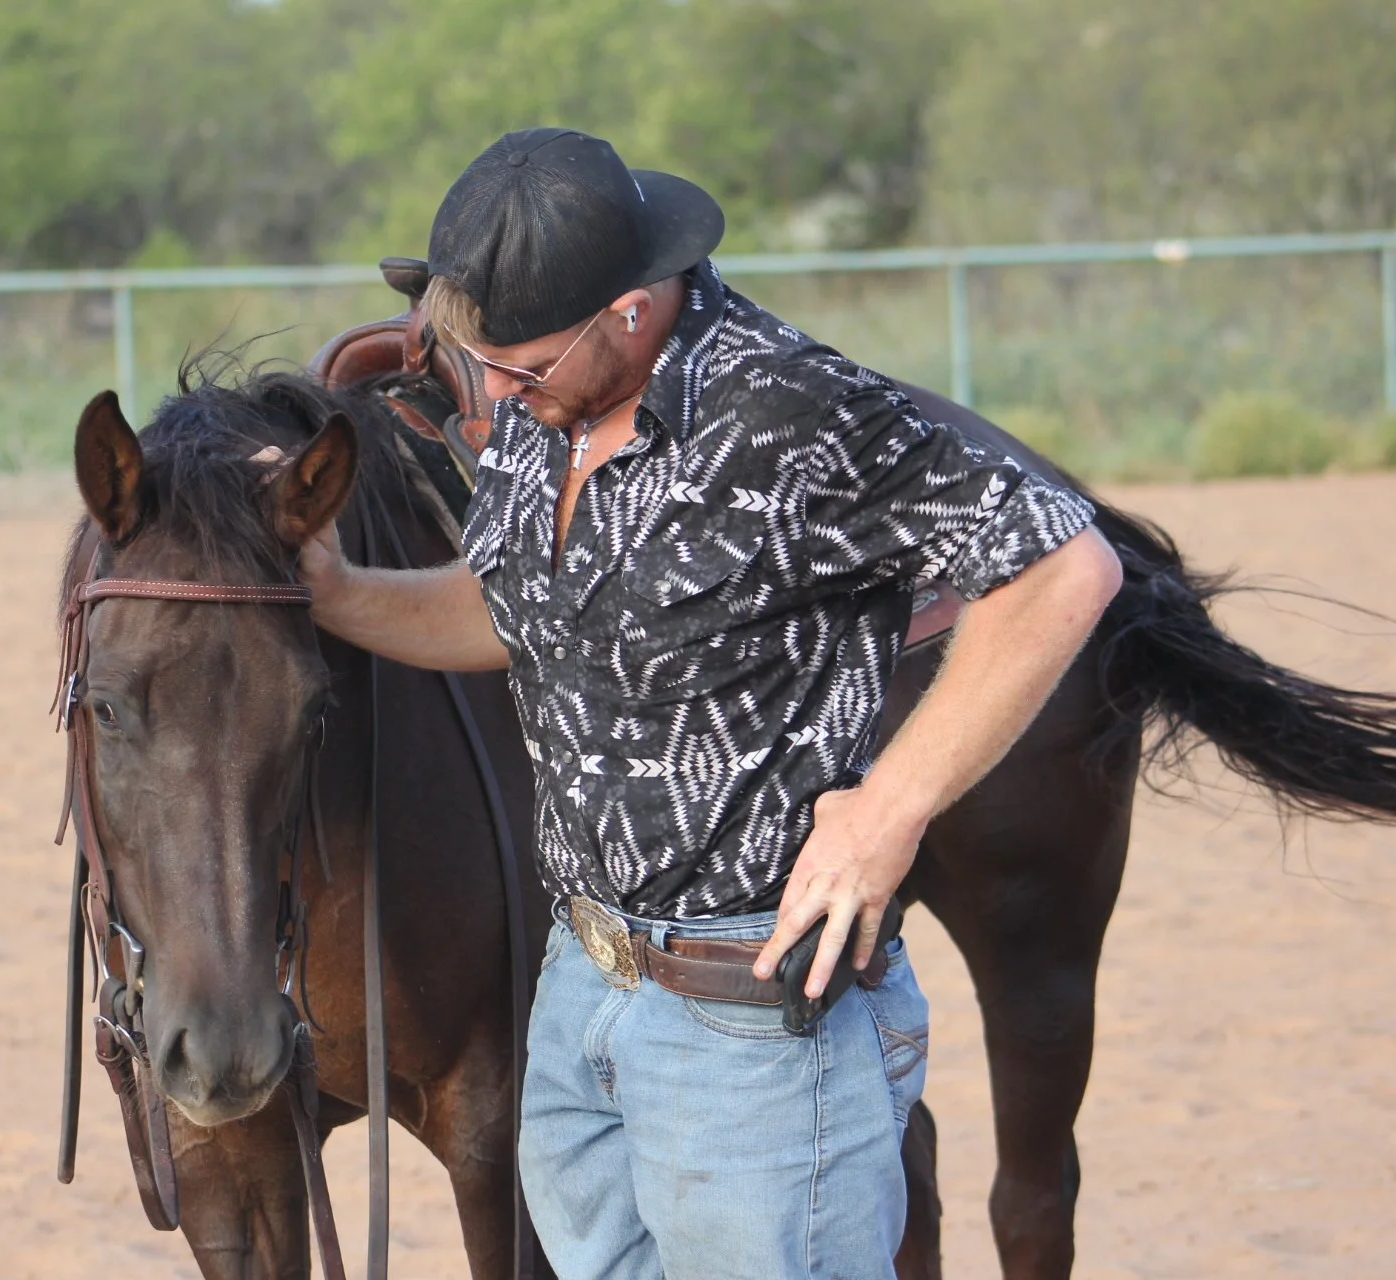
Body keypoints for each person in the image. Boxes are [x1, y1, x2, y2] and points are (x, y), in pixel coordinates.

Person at [298, 127, 1122, 1279]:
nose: (496, 391)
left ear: (630, 312)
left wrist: (888, 810)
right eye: (478, 363)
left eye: (521, 366)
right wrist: (338, 593)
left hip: (753, 1027)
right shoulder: (546, 416)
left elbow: (1063, 567)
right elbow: (512, 609)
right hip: (582, 993)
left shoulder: (791, 413)